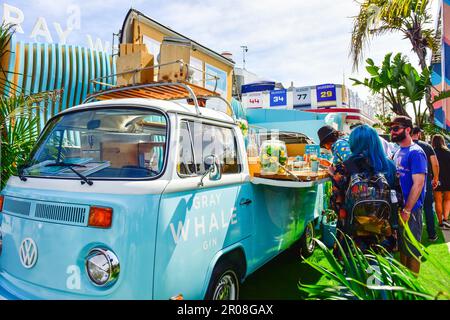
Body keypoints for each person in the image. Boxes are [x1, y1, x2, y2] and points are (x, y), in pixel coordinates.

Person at [334, 125, 398, 253]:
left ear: (353, 143)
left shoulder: (344, 167)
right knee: (380, 268)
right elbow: (396, 197)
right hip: (382, 232)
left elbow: (336, 202)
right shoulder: (389, 165)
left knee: (353, 269)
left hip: (353, 233)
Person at [387, 116, 427, 274]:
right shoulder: (398, 151)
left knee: (413, 250)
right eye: (391, 129)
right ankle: (405, 281)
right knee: (403, 247)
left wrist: (408, 210)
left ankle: (414, 289)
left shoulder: (416, 152)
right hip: (400, 207)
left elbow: (419, 184)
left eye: (396, 128)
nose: (392, 132)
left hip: (411, 210)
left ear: (408, 130)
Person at [317, 126, 352, 226]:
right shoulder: (345, 141)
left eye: (324, 145)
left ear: (328, 142)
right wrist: (330, 165)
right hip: (353, 190)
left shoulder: (338, 144)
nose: (326, 148)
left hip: (348, 192)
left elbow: (351, 164)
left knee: (347, 223)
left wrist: (333, 173)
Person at [411, 126, 440, 242]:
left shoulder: (405, 146)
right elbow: (435, 164)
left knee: (411, 208)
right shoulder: (427, 146)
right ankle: (432, 234)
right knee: (428, 208)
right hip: (425, 180)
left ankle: (411, 237)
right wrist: (436, 178)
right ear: (418, 134)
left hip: (410, 181)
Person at [431, 134, 450, 229]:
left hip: (436, 179)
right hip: (448, 179)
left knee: (438, 200)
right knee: (447, 199)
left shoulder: (432, 153)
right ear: (443, 141)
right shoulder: (448, 152)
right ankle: (445, 219)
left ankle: (440, 222)